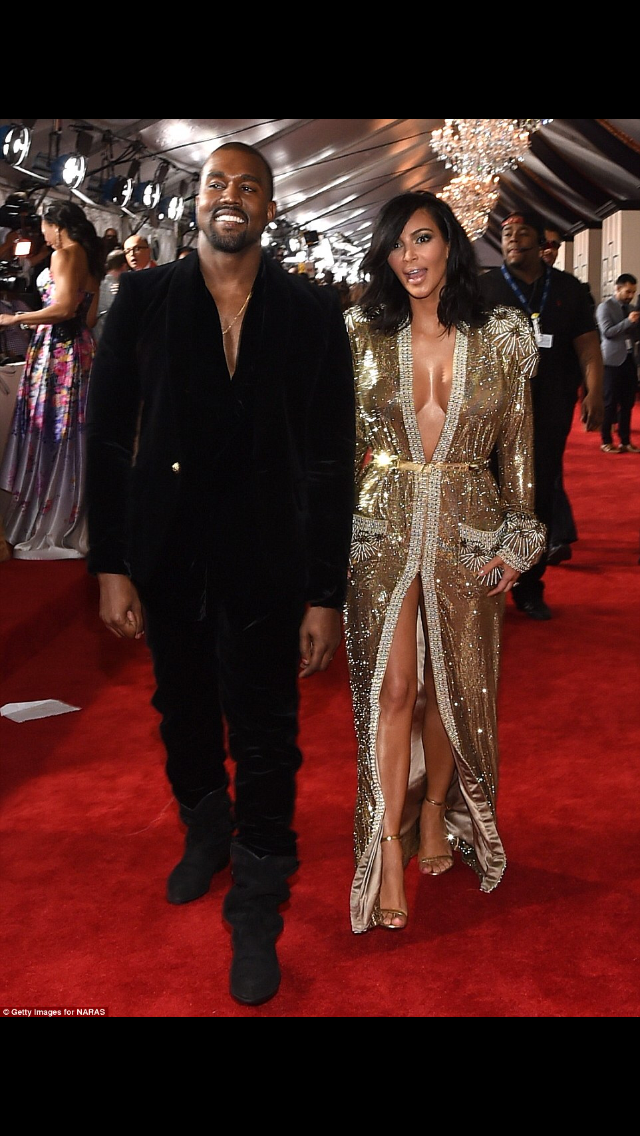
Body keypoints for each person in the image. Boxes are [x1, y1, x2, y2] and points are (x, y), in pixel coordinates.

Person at [84, 141, 355, 1005]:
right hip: (167, 548)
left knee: (269, 731)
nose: (229, 195)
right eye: (215, 183)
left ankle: (259, 895)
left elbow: (331, 458)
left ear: (270, 208)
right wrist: (111, 563)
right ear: (196, 200)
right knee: (184, 708)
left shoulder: (311, 312)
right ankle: (205, 826)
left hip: (270, 556)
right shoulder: (143, 297)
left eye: (248, 186)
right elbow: (107, 434)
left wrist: (326, 592)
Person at [343, 191, 545, 934]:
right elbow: (339, 447)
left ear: (450, 245)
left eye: (423, 239)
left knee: (452, 690)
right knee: (394, 688)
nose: (410, 256)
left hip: (469, 529)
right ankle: (386, 848)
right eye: (397, 244)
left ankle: (435, 812)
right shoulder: (361, 333)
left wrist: (519, 538)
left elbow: (517, 449)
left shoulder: (501, 336)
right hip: (382, 528)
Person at [479, 210, 603, 620]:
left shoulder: (568, 289)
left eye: (522, 233)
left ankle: (529, 586)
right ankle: (484, 584)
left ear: (542, 242)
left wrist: (595, 392)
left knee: (538, 499)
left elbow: (588, 346)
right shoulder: (484, 288)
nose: (512, 239)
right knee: (488, 498)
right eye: (507, 234)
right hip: (492, 413)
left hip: (549, 411)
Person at [0, 200, 102, 561]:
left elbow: (63, 309)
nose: (40, 233)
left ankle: (46, 516)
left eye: (42, 226)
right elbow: (88, 318)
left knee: (51, 432)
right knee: (72, 431)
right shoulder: (89, 258)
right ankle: (68, 511)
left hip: (57, 352)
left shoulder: (65, 254)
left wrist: (16, 320)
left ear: (55, 224)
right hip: (80, 350)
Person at [596, 273, 640, 453]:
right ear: (618, 288)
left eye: (633, 292)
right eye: (628, 291)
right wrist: (628, 322)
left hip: (629, 359)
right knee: (610, 402)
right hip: (611, 361)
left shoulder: (631, 308)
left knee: (628, 402)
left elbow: (633, 334)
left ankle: (625, 440)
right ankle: (606, 440)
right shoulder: (605, 307)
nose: (631, 295)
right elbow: (607, 332)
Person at [93, 249, 128, 341]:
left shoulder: (97, 285)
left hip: (97, 337)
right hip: (114, 339)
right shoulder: (119, 289)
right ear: (124, 266)